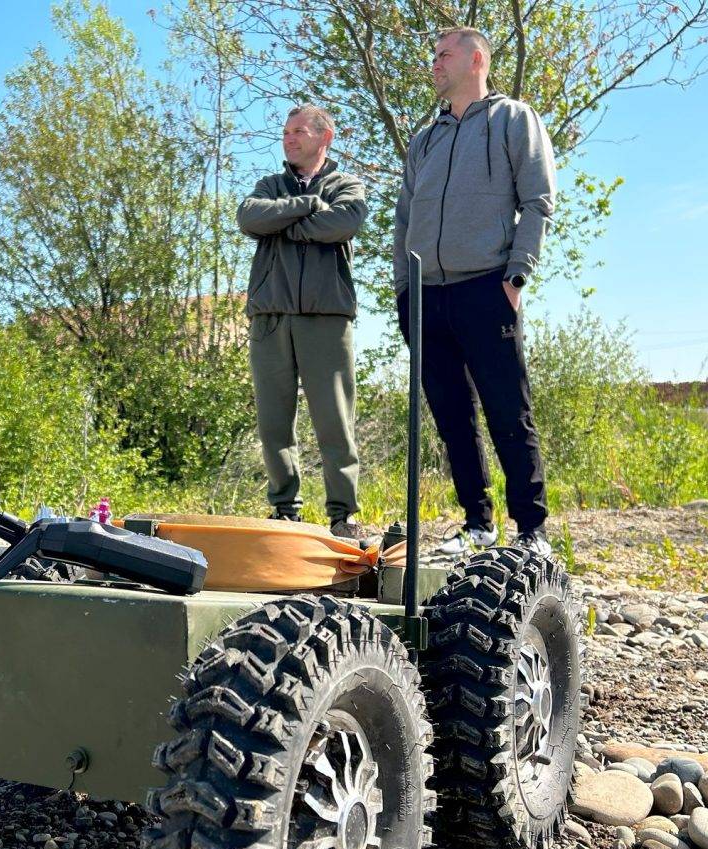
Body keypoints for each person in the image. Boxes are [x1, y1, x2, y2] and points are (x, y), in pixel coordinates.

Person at [392, 27, 557, 556]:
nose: (434, 64)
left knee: (509, 412)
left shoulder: (514, 120)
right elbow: (403, 220)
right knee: (451, 418)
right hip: (425, 297)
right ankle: (477, 525)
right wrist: (403, 288)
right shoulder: (426, 139)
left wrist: (516, 277)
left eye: (443, 55)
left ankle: (532, 531)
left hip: (487, 288)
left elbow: (537, 202)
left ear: (476, 59)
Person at [236, 104, 368, 542]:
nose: (288, 139)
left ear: (324, 137)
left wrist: (284, 223)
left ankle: (343, 515)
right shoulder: (269, 185)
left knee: (335, 421)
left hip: (326, 319)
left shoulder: (346, 184)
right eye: (285, 132)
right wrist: (308, 205)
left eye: (298, 132)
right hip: (270, 318)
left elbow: (344, 223)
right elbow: (250, 217)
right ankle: (283, 510)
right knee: (274, 423)